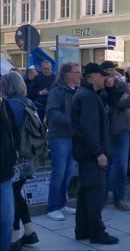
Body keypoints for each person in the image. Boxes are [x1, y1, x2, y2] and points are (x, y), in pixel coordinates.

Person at [71, 63, 118, 245]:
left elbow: (113, 103)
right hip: (91, 154)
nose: (105, 77)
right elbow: (88, 128)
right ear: (92, 77)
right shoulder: (88, 97)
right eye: (101, 75)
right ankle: (97, 232)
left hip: (86, 153)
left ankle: (82, 229)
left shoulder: (88, 94)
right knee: (96, 193)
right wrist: (99, 152)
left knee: (86, 192)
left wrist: (111, 88)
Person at [2, 72, 40, 250]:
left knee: (13, 196)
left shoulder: (8, 105)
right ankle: (29, 232)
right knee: (17, 193)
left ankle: (14, 238)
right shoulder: (29, 102)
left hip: (15, 158)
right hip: (30, 157)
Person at [45, 63, 82, 221]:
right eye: (76, 72)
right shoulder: (57, 91)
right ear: (67, 74)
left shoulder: (77, 91)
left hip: (72, 136)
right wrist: (72, 121)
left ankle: (62, 203)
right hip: (59, 136)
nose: (80, 74)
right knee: (59, 173)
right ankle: (53, 207)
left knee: (69, 172)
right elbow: (52, 112)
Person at [100, 61, 130, 212]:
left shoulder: (122, 85)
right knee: (106, 166)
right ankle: (103, 195)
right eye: (107, 70)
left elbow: (126, 101)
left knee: (121, 166)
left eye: (112, 69)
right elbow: (105, 105)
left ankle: (119, 197)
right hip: (105, 132)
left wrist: (114, 99)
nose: (111, 72)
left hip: (122, 130)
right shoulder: (100, 88)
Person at [0, 96, 19, 251]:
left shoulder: (4, 104)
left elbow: (13, 132)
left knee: (7, 222)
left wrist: (13, 155)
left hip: (4, 174)